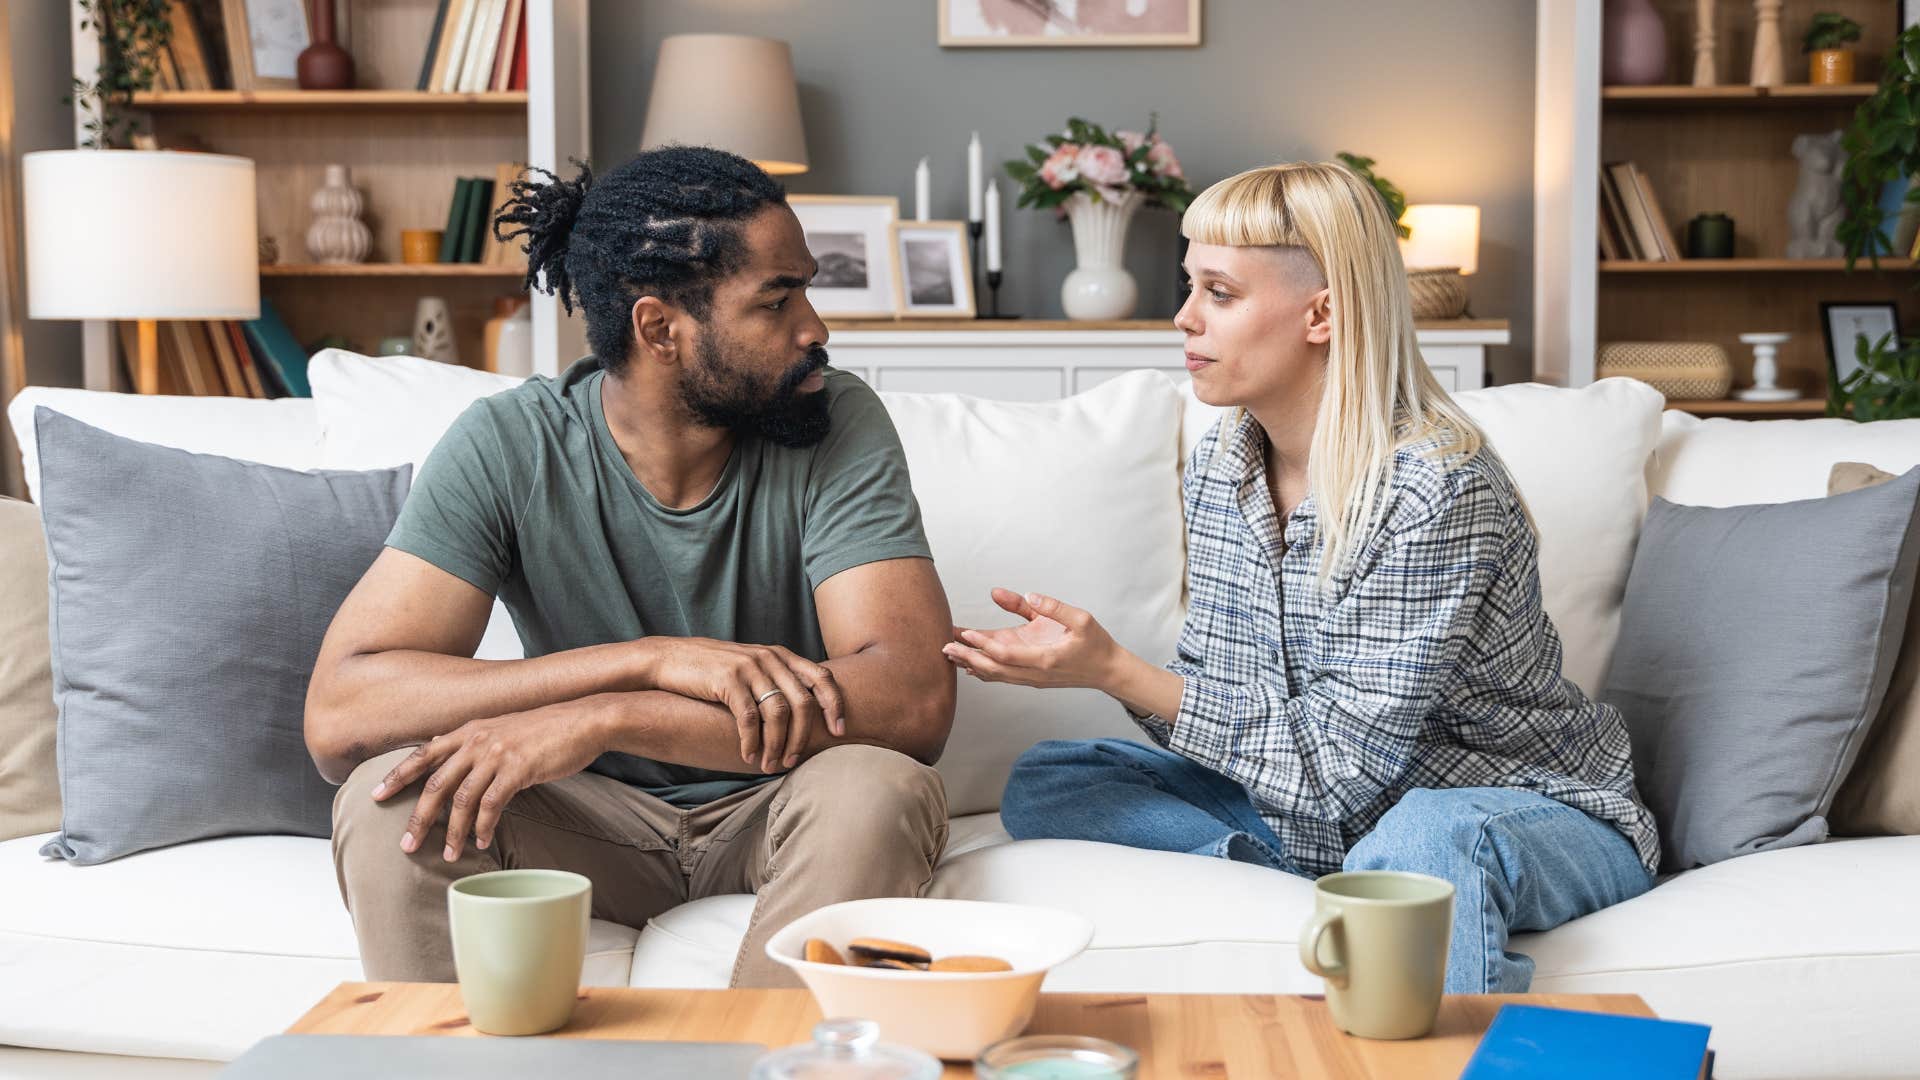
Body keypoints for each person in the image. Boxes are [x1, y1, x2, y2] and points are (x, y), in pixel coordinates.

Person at [942, 161, 1659, 994]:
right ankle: (1331, 878)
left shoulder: (1434, 487)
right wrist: (1107, 679)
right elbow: (1229, 700)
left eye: (1219, 292)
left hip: (1511, 803)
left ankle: (1382, 920)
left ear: (1322, 313)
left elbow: (1341, 770)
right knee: (1054, 777)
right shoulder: (1225, 466)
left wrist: (1117, 671)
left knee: (1424, 843)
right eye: (1190, 286)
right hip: (1322, 808)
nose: (1182, 317)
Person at [310, 146, 955, 989]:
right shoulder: (510, 444)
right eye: (778, 298)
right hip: (582, 816)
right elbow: (341, 714)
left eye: (808, 289)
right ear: (660, 329)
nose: (816, 329)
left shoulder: (837, 420)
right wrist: (644, 659)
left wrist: (614, 715)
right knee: (386, 797)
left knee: (876, 784)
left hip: (780, 802)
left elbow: (913, 700)